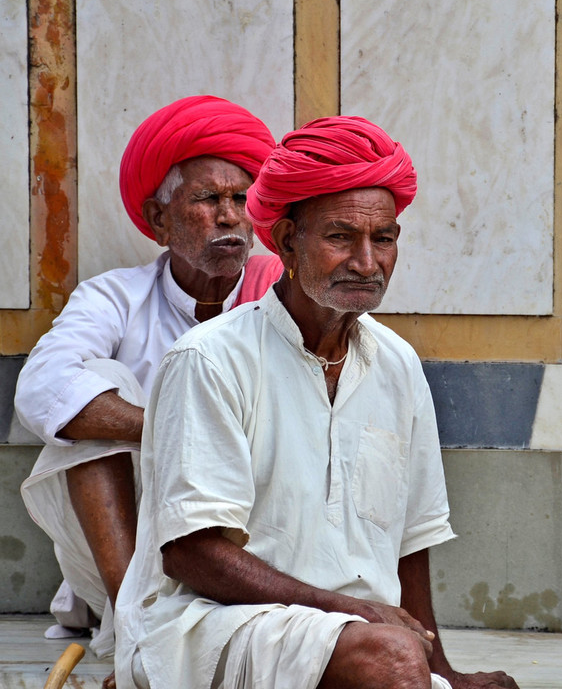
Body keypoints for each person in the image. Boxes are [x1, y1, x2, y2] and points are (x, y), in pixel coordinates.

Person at [113, 116, 519, 689]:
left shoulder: (398, 364)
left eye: (383, 239)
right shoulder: (209, 360)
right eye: (340, 238)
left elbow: (409, 545)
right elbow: (191, 555)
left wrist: (442, 670)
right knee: (388, 660)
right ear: (284, 242)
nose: (366, 262)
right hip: (216, 628)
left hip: (359, 638)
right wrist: (341, 610)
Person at [15, 95, 281, 661]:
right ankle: (137, 627)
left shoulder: (281, 296)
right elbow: (41, 389)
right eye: (208, 199)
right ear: (159, 220)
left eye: (242, 200)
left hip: (252, 534)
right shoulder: (114, 297)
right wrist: (175, 426)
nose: (231, 216)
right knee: (99, 390)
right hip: (134, 550)